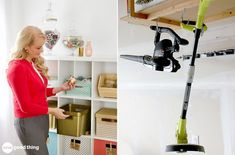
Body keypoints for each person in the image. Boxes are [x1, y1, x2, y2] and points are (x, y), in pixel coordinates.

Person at [6, 26, 75, 155]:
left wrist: (60, 88)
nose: (42, 50)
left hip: (41, 117)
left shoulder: (32, 63)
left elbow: (37, 92)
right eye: (38, 48)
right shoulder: (17, 68)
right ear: (26, 46)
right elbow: (26, 106)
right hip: (28, 121)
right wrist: (52, 111)